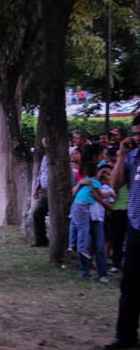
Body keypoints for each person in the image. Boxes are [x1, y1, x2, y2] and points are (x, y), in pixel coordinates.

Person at [105, 115, 140, 350]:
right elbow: (115, 185)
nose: (137, 138)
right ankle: (125, 337)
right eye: (136, 133)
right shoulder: (133, 157)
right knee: (130, 284)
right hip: (136, 226)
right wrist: (121, 155)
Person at [83, 164, 116, 283]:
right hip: (86, 217)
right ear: (97, 172)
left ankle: (103, 274)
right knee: (86, 247)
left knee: (100, 247)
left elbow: (111, 208)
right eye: (103, 172)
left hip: (98, 219)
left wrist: (98, 198)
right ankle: (85, 271)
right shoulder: (88, 184)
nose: (105, 175)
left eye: (108, 174)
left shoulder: (108, 189)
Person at [68, 161, 103, 262]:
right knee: (83, 228)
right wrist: (110, 194)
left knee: (73, 225)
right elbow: (101, 195)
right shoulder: (95, 183)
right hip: (83, 207)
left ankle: (71, 245)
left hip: (75, 204)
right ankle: (81, 248)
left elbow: (73, 193)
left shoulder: (82, 181)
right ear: (96, 172)